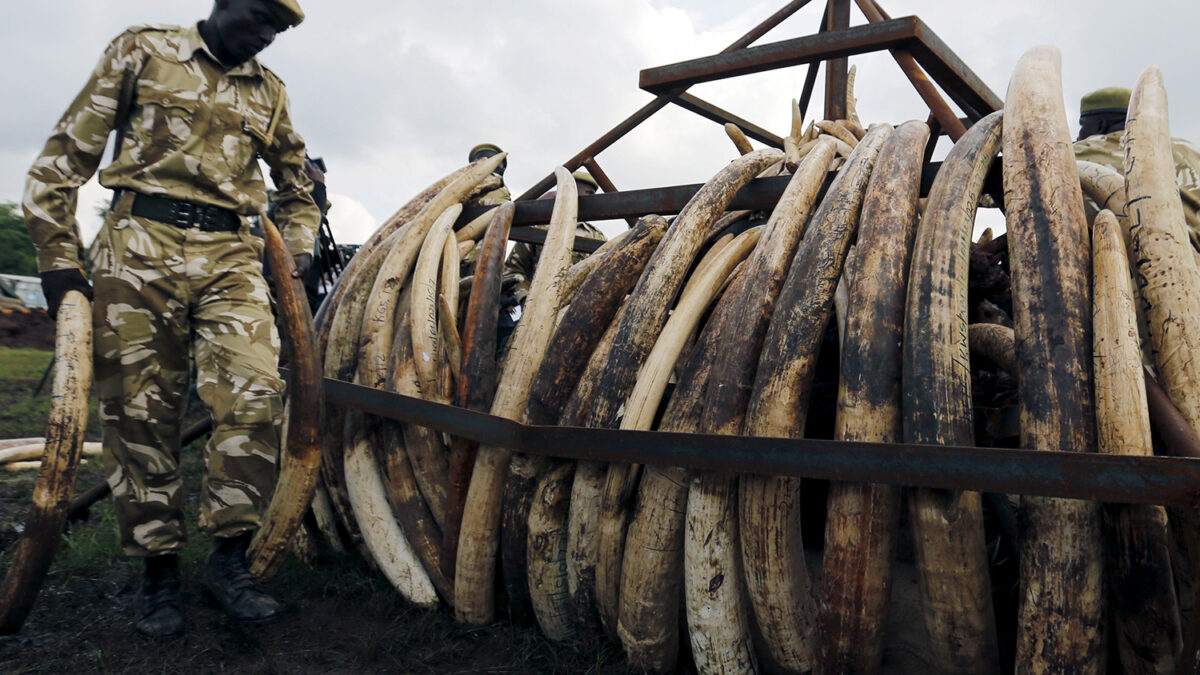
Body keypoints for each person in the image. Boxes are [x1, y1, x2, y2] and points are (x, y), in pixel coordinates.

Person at [22, 0, 319, 638]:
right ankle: (157, 572)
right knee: (137, 412)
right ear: (224, 3)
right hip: (137, 247)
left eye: (279, 29)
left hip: (230, 258)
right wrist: (58, 260)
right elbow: (62, 160)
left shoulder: (270, 92)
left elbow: (300, 186)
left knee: (255, 394)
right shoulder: (143, 50)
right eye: (260, 19)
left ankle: (228, 560)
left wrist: (292, 257)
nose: (266, 37)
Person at [1073, 86, 1200, 247]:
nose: (1079, 136)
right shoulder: (1191, 150)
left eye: (1083, 127)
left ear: (1100, 125)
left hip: (1125, 262)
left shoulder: (1075, 154)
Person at [502, 170, 607, 305]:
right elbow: (513, 269)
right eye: (589, 193)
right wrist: (525, 298)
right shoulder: (538, 228)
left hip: (580, 310)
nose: (593, 198)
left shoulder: (596, 235)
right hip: (538, 308)